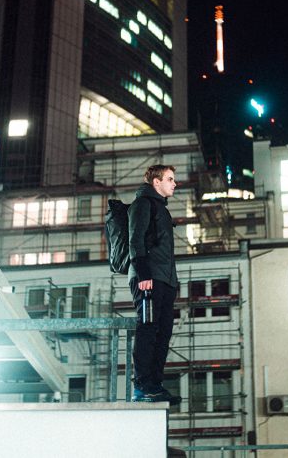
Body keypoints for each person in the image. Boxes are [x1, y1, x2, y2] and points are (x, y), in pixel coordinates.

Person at [128, 164, 179, 403]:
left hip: (165, 280)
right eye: (170, 179)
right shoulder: (142, 204)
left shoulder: (162, 209)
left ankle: (155, 385)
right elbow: (135, 240)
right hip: (149, 277)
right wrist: (144, 274)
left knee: (163, 332)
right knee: (148, 329)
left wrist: (172, 282)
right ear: (156, 182)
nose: (174, 183)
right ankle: (142, 385)